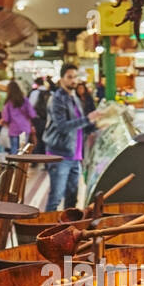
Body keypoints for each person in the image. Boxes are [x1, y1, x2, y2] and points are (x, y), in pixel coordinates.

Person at [42, 63, 97, 211]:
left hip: (75, 155)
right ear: (61, 79)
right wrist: (88, 119)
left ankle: (68, 224)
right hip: (59, 155)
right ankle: (47, 225)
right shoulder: (57, 99)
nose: (73, 80)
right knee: (56, 197)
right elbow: (63, 127)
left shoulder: (73, 97)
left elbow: (77, 125)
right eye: (69, 77)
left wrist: (94, 126)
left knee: (72, 197)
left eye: (75, 77)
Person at [1, 80, 37, 155]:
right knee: (23, 151)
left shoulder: (8, 103)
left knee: (14, 150)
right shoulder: (25, 100)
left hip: (13, 129)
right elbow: (32, 114)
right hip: (24, 128)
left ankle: (14, 163)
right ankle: (21, 163)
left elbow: (6, 118)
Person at [29, 77, 52, 153]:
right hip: (49, 120)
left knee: (37, 140)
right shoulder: (51, 93)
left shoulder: (34, 93)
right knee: (46, 139)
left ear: (37, 84)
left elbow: (30, 107)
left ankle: (37, 156)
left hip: (37, 120)